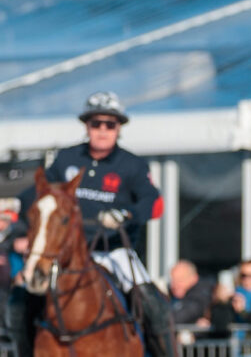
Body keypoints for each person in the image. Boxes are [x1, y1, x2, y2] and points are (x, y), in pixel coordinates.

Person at [5, 91, 175, 357]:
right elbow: (42, 192)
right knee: (19, 299)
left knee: (153, 302)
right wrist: (15, 205)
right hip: (67, 253)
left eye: (110, 124)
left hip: (113, 251)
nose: (103, 130)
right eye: (96, 123)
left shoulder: (132, 165)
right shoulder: (66, 159)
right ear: (87, 126)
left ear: (119, 128)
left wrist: (126, 214)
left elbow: (152, 202)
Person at [170, 259, 214, 325]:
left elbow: (177, 318)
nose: (174, 285)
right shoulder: (172, 294)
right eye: (173, 281)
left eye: (180, 280)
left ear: (194, 278)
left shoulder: (199, 296)